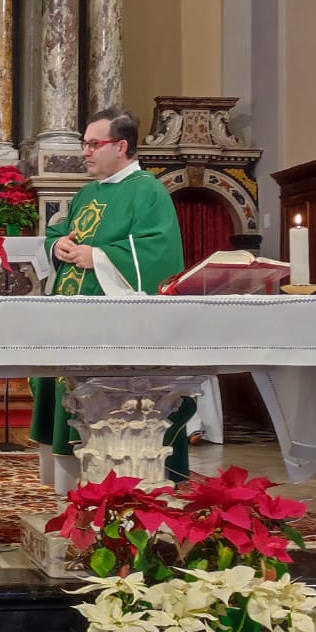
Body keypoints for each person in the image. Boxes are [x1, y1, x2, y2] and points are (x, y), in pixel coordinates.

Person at [28, 109, 192, 477]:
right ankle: (72, 488)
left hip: (114, 325)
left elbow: (158, 253)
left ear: (121, 146)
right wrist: (60, 248)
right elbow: (62, 233)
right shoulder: (88, 192)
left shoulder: (149, 190)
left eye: (92, 144)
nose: (84, 152)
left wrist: (97, 256)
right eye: (84, 144)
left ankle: (121, 480)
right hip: (72, 320)